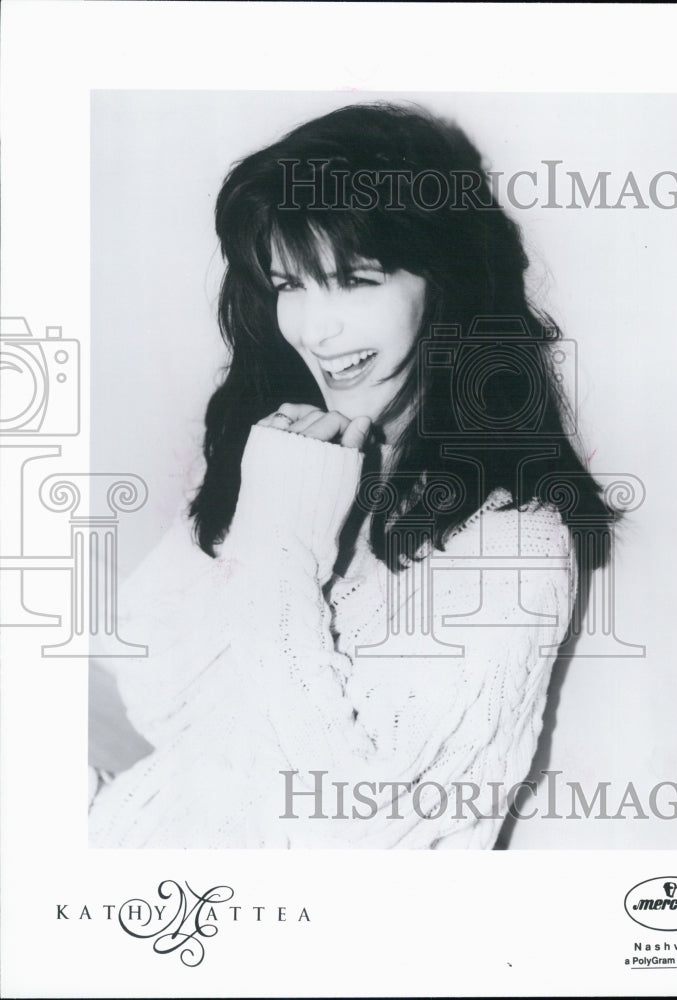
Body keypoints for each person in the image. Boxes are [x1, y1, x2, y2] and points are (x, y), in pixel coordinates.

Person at [88, 102, 614, 849]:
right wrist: (261, 507)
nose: (314, 328)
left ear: (446, 282)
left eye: (354, 280)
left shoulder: (513, 545)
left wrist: (281, 552)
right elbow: (153, 691)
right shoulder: (287, 450)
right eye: (289, 285)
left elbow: (350, 841)